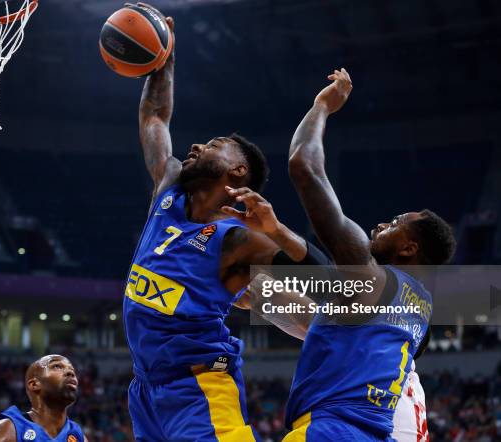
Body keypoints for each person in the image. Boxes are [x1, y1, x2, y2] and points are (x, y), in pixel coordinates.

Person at [227, 68, 455, 441]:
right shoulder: (419, 308)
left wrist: (321, 106)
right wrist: (261, 281)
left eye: (397, 222)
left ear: (409, 247)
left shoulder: (371, 280)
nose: (383, 223)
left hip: (336, 430)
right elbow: (317, 313)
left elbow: (304, 165)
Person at [123, 4, 310, 441]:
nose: (195, 145)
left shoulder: (239, 240)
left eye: (215, 145)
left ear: (238, 172)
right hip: (146, 391)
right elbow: (154, 117)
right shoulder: (169, 189)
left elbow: (304, 305)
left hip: (199, 385)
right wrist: (163, 60)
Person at [0, 355, 86, 442]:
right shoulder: (8, 429)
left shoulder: (77, 435)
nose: (70, 373)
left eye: (72, 369)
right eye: (57, 366)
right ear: (34, 384)